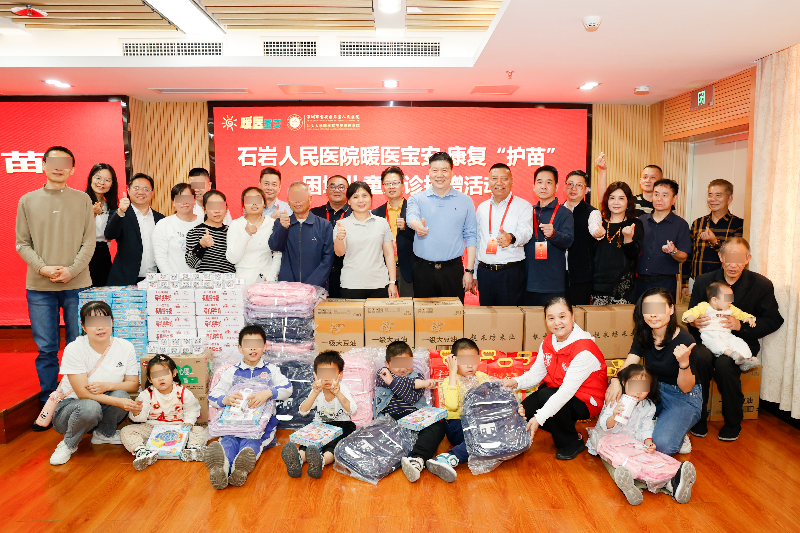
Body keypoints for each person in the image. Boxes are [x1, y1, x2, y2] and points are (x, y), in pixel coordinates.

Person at [16, 146, 95, 411]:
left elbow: (89, 242)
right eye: (53, 162)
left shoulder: (83, 199)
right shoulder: (27, 200)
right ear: (43, 165)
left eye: (65, 163)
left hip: (78, 284)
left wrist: (72, 270)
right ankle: (48, 401)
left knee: (78, 344)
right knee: (47, 348)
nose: (59, 167)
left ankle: (75, 397)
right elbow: (22, 243)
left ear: (72, 169)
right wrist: (43, 268)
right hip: (40, 286)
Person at [686, 237, 784, 441]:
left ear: (747, 259)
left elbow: (774, 320)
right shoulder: (703, 281)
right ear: (721, 257)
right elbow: (691, 315)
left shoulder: (761, 284)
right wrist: (694, 323)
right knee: (700, 358)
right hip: (707, 340)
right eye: (729, 258)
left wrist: (741, 326)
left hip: (739, 341)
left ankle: (732, 422)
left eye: (739, 258)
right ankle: (698, 417)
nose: (734, 264)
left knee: (725, 364)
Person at [502, 297, 607, 460]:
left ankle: (572, 441)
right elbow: (536, 373)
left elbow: (566, 392)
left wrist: (539, 418)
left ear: (572, 316)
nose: (557, 323)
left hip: (586, 400)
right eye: (551, 318)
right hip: (557, 391)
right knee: (524, 412)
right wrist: (515, 382)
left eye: (562, 316)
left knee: (545, 398)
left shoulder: (584, 349)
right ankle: (564, 425)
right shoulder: (548, 341)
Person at [605, 287, 704, 455]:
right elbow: (630, 362)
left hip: (681, 395)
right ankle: (660, 423)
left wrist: (683, 363)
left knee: (662, 446)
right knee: (617, 388)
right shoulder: (644, 333)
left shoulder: (685, 339)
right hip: (653, 387)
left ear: (671, 309)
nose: (653, 315)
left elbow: (686, 387)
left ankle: (678, 431)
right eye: (648, 309)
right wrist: (615, 380)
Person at [587, 365, 697, 505]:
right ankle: (635, 486)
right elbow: (604, 425)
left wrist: (648, 442)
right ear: (624, 383)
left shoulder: (648, 406)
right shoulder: (616, 399)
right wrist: (614, 416)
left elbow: (646, 428)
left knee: (650, 458)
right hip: (608, 442)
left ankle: (673, 477)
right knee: (617, 463)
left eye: (643, 387)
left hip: (633, 444)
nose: (638, 391)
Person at [49, 301, 140, 465]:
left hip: (101, 405)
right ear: (83, 327)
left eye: (104, 321)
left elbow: (133, 384)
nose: (100, 327)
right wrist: (118, 402)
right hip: (71, 409)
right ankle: (68, 444)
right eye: (92, 323)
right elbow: (82, 393)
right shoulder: (74, 348)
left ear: (112, 322)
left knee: (121, 394)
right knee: (91, 406)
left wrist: (107, 386)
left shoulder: (125, 347)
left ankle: (104, 434)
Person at [205, 325, 292, 489]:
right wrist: (226, 399)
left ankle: (240, 470)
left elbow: (287, 388)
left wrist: (268, 393)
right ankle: (221, 468)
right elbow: (213, 395)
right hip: (233, 422)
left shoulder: (271, 370)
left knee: (251, 442)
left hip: (262, 424)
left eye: (257, 344)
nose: (253, 348)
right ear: (240, 348)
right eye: (248, 344)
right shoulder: (231, 372)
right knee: (228, 441)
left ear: (264, 347)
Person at [406, 152, 477, 303]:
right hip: (423, 270)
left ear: (452, 172)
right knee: (423, 315)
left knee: (453, 315)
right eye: (435, 170)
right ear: (429, 172)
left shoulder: (465, 201)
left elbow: (471, 236)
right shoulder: (416, 198)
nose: (439, 175)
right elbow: (411, 217)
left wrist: (469, 271)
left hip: (453, 270)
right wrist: (418, 226)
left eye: (444, 170)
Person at [121, 354, 207, 470]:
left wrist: (189, 422)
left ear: (174, 373)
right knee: (126, 431)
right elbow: (140, 419)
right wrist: (136, 412)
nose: (161, 378)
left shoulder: (183, 392)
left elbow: (192, 409)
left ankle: (193, 449)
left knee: (199, 430)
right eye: (156, 375)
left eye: (165, 373)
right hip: (152, 429)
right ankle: (142, 451)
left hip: (179, 427)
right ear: (149, 379)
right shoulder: (146, 395)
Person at [281, 351, 356, 479]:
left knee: (334, 444)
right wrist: (315, 393)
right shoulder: (317, 390)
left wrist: (338, 393)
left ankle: (320, 461)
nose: (327, 378)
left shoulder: (343, 389)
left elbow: (351, 410)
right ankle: (297, 460)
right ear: (315, 375)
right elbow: (303, 411)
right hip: (320, 425)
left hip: (341, 424)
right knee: (309, 443)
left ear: (340, 375)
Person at [425, 338, 492, 483]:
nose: (470, 365)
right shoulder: (449, 380)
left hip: (479, 423)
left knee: (491, 433)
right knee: (485, 437)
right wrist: (452, 373)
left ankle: (453, 457)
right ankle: (451, 457)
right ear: (454, 361)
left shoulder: (483, 378)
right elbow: (452, 405)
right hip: (457, 424)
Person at [372, 341, 438, 483]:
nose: (403, 368)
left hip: (414, 418)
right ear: (387, 364)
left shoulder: (418, 376)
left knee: (437, 425)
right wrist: (419, 384)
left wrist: (393, 382)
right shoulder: (383, 373)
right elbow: (403, 385)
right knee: (374, 435)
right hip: (390, 420)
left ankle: (417, 460)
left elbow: (411, 397)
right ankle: (389, 460)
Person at [474, 163, 533, 306]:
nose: (499, 183)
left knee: (510, 317)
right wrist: (475, 273)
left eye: (504, 178)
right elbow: (478, 241)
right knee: (487, 315)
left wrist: (511, 238)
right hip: (485, 273)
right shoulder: (482, 208)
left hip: (510, 274)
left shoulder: (523, 206)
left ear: (512, 181)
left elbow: (526, 232)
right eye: (494, 178)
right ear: (489, 182)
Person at [334, 182, 398, 298]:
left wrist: (392, 282)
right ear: (349, 201)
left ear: (371, 198)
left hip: (380, 283)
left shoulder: (382, 222)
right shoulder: (341, 225)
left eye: (364, 196)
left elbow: (389, 254)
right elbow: (339, 253)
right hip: (351, 284)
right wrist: (339, 238)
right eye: (355, 197)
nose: (361, 200)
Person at [523, 165, 574, 306]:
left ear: (556, 187)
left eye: (549, 182)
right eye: (539, 182)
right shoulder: (528, 212)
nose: (543, 186)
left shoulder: (565, 213)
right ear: (534, 186)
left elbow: (568, 241)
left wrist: (553, 234)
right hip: (528, 283)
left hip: (553, 284)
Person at [682, 280, 759, 371]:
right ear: (714, 300)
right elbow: (691, 312)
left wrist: (749, 318)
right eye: (727, 298)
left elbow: (741, 313)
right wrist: (689, 317)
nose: (731, 301)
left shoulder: (730, 308)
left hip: (727, 336)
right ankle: (732, 354)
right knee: (716, 345)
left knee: (740, 343)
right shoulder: (704, 307)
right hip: (711, 336)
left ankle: (746, 360)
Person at [634, 178, 690, 301]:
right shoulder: (640, 221)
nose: (659, 199)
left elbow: (683, 257)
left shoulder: (680, 225)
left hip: (664, 284)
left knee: (659, 313)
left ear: (674, 198)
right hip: (639, 283)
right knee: (639, 313)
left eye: (665, 195)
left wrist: (673, 251)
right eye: (656, 194)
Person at [269, 182, 334, 287]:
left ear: (310, 199)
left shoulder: (324, 225)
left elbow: (328, 259)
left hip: (316, 288)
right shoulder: (281, 222)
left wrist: (310, 285)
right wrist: (282, 228)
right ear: (288, 200)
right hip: (288, 288)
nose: (297, 200)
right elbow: (275, 247)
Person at [105, 173, 165, 285]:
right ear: (128, 191)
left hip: (154, 280)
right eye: (136, 188)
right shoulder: (120, 214)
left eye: (145, 189)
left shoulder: (161, 219)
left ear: (152, 193)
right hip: (125, 280)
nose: (141, 192)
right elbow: (109, 235)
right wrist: (120, 211)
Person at [591, 182, 645, 304]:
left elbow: (633, 254)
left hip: (623, 288)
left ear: (628, 202)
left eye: (621, 198)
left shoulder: (635, 224)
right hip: (598, 286)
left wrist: (628, 239)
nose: (616, 202)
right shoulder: (599, 224)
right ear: (607, 201)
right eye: (612, 198)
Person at [688, 179, 744, 286]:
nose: (713, 199)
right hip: (700, 282)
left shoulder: (739, 224)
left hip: (727, 284)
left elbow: (739, 258)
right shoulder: (698, 223)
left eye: (718, 195)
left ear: (730, 199)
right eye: (710, 195)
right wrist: (684, 284)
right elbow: (689, 255)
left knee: (727, 299)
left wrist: (715, 242)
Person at [372, 167, 416, 297]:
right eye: (387, 183)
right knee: (383, 307)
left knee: (407, 306)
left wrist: (406, 229)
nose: (391, 187)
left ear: (403, 185)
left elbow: (423, 238)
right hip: (383, 269)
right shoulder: (376, 213)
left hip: (408, 269)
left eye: (395, 183)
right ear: (383, 187)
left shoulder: (414, 210)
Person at [226, 187, 282, 288]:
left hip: (267, 282)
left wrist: (271, 278)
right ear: (243, 205)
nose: (254, 203)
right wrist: (246, 234)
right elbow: (233, 259)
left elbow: (278, 254)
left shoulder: (272, 224)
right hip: (243, 282)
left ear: (264, 203)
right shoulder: (236, 224)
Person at [310, 175, 352, 297]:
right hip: (319, 274)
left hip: (348, 274)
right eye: (332, 186)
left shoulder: (355, 214)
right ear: (326, 190)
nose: (336, 190)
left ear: (348, 190)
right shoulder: (314, 214)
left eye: (341, 187)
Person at [564, 169, 598, 305]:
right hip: (557, 274)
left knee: (578, 312)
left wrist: (599, 233)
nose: (573, 188)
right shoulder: (558, 211)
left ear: (586, 190)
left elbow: (595, 230)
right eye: (570, 184)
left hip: (581, 276)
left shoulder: (592, 213)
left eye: (579, 185)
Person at [152, 183, 202, 274]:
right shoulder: (164, 224)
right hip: (174, 279)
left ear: (194, 200)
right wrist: (172, 278)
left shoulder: (204, 222)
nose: (184, 202)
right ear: (173, 202)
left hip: (202, 279)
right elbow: (160, 257)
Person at [184, 190, 235, 274]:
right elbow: (191, 264)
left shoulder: (232, 231)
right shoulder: (195, 232)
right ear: (204, 210)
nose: (217, 211)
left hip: (229, 280)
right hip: (206, 281)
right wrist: (201, 246)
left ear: (226, 208)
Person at [84, 163, 119, 287]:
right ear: (91, 179)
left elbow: (110, 234)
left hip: (103, 253)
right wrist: (92, 214)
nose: (102, 183)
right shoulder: (80, 201)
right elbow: (75, 232)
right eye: (98, 178)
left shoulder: (110, 206)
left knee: (103, 292)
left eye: (107, 180)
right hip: (84, 253)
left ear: (112, 184)